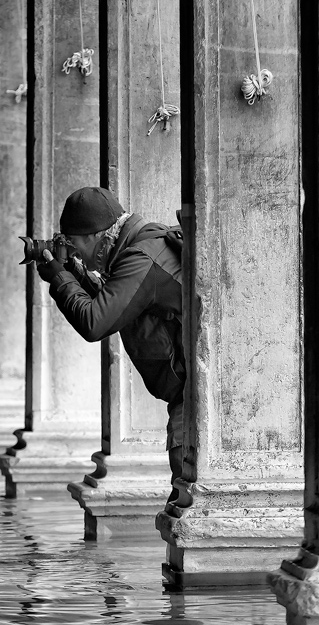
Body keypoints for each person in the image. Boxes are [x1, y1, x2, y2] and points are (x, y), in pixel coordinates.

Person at [32, 186, 187, 501]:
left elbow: (95, 322)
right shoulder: (143, 245)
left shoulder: (142, 259)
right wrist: (74, 271)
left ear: (97, 238)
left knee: (187, 505)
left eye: (72, 245)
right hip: (192, 397)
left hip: (199, 404)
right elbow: (119, 302)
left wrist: (59, 278)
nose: (71, 251)